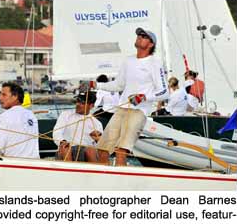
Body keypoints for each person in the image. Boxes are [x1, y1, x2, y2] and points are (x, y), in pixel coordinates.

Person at [95, 27, 169, 166]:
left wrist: (143, 97)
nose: (139, 36)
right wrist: (96, 85)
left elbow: (164, 92)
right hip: (121, 109)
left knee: (121, 151)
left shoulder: (155, 63)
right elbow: (118, 85)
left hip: (138, 112)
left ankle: (122, 184)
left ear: (151, 44)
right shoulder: (128, 60)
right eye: (139, 35)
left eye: (144, 36)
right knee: (102, 150)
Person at [53, 90, 103, 162]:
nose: (78, 104)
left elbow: (101, 145)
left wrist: (98, 139)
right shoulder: (65, 115)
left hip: (86, 151)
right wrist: (62, 141)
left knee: (91, 150)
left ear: (91, 106)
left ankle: (94, 172)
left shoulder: (96, 123)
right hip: (67, 148)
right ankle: (68, 171)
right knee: (65, 148)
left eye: (82, 103)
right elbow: (57, 132)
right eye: (77, 101)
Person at [0, 82, 39, 158]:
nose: (0, 98)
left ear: (15, 96)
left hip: (14, 164)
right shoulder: (32, 115)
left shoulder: (4, 116)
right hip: (34, 162)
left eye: (4, 95)